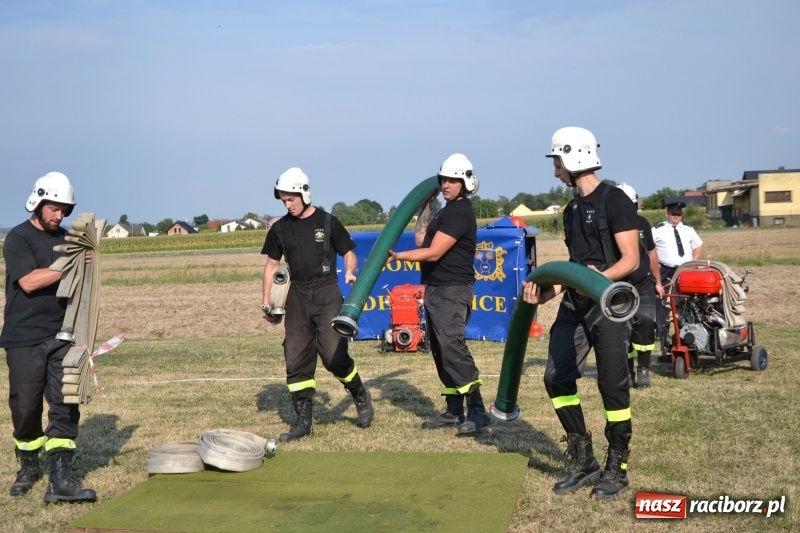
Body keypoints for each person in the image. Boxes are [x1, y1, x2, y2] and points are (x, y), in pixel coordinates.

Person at [521, 127, 639, 499]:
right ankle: (583, 457)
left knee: (612, 386)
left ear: (574, 159)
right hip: (576, 304)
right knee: (556, 378)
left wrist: (597, 279)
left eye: (557, 162)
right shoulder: (571, 210)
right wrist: (545, 294)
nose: (555, 171)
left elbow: (631, 260)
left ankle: (616, 466)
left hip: (610, 304)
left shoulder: (615, 200)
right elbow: (573, 267)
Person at [1, 172, 97, 502]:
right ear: (38, 203)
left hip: (63, 335)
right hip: (24, 337)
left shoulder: (70, 240)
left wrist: (83, 336)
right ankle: (28, 466)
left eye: (65, 211)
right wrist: (69, 263)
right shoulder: (18, 239)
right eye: (55, 209)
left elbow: (83, 289)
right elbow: (27, 282)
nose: (60, 216)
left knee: (65, 405)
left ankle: (61, 479)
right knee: (26, 408)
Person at [261, 167, 373, 442]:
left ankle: (359, 392)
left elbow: (349, 253)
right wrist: (267, 302)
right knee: (296, 356)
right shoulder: (279, 229)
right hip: (297, 294)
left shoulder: (328, 222)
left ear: (304, 194)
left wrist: (349, 271)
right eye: (283, 200)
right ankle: (303, 422)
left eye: (291, 199)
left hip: (327, 292)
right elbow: (271, 265)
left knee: (333, 356)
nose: (287, 205)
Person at [386, 153, 489, 436]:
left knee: (452, 345)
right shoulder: (445, 211)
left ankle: (477, 411)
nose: (445, 184)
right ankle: (454, 410)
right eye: (443, 179)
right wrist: (425, 207)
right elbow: (422, 239)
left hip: (453, 290)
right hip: (436, 289)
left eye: (452, 180)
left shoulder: (460, 212)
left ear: (465, 182)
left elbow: (433, 252)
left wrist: (398, 257)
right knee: (440, 349)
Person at [618, 184, 663, 389]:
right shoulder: (611, 225)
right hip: (620, 284)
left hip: (643, 282)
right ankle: (627, 371)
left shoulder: (642, 223)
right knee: (623, 328)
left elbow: (652, 254)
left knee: (645, 320)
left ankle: (644, 369)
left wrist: (658, 282)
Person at [652, 201, 704, 356]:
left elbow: (699, 245)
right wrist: (655, 265)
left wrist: (694, 262)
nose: (676, 217)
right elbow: (647, 247)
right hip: (665, 269)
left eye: (678, 214)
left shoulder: (688, 229)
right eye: (673, 214)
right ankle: (661, 332)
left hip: (684, 269)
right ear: (666, 214)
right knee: (662, 299)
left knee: (685, 300)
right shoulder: (657, 229)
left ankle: (684, 329)